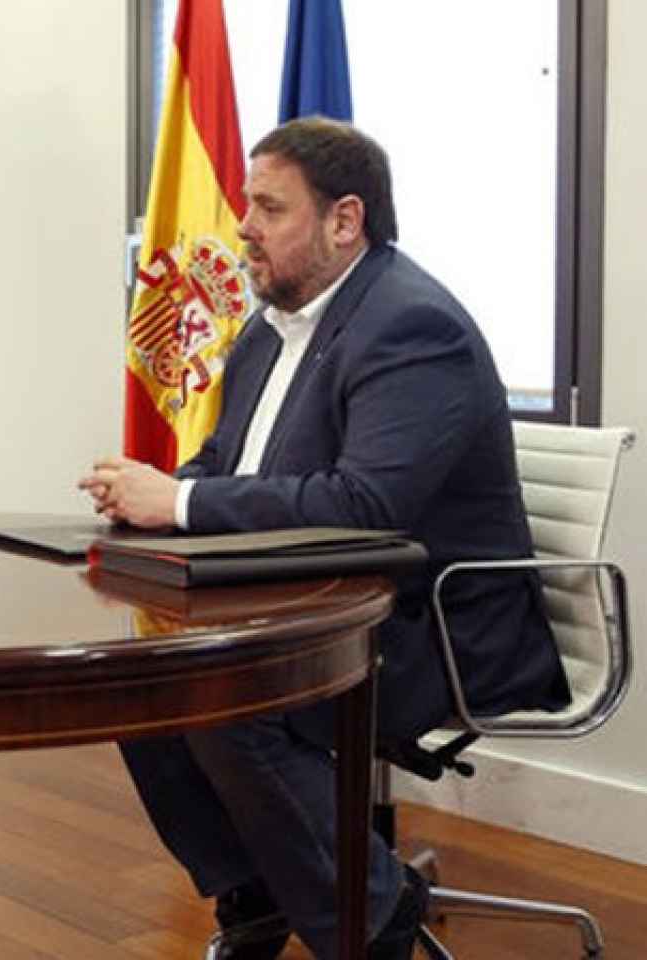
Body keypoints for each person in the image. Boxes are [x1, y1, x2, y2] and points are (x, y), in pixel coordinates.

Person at [79, 117, 568, 960]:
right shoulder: (271, 328)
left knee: (231, 701)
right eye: (244, 205)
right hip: (319, 604)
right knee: (141, 678)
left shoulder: (414, 327)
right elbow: (224, 461)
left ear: (345, 220)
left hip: (434, 625)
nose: (242, 227)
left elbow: (366, 502)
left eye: (269, 208)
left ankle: (374, 918)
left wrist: (185, 504)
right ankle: (260, 892)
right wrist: (146, 496)